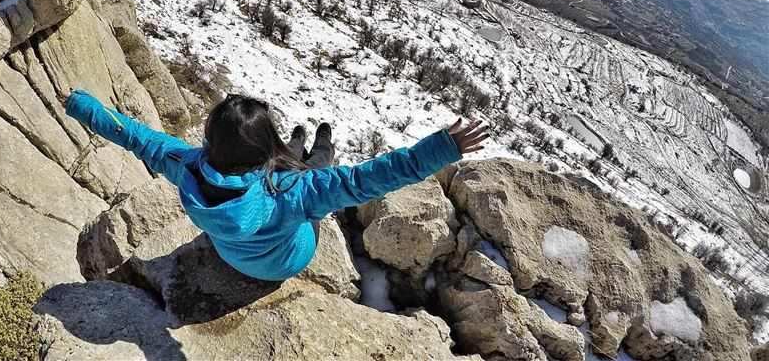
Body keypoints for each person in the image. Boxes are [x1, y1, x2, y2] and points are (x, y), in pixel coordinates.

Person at [60, 88, 490, 282]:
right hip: (288, 260)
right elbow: (367, 180)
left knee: (298, 168)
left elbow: (133, 134)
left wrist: (81, 104)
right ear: (265, 146)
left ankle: (301, 140)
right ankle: (318, 141)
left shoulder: (184, 165)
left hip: (231, 254)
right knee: (316, 171)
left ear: (210, 139)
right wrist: (441, 149)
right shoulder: (293, 190)